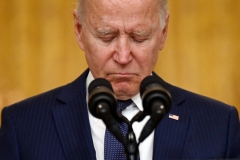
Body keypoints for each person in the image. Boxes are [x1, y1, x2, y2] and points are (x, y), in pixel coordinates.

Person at [0, 0, 240, 159]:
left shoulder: (220, 127)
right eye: (106, 36)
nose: (123, 56)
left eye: (139, 37)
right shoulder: (22, 127)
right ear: (79, 30)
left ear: (163, 33)